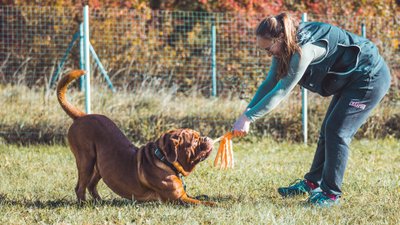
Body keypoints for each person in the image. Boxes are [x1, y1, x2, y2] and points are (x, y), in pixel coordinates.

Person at [232, 12, 391, 207]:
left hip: (370, 77)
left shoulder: (302, 50)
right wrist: (245, 113)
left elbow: (281, 90)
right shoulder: (284, 46)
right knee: (328, 130)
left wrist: (248, 118)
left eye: (268, 49)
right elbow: (269, 83)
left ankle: (331, 194)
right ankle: (311, 183)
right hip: (350, 80)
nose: (269, 54)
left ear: (280, 38)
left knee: (338, 132)